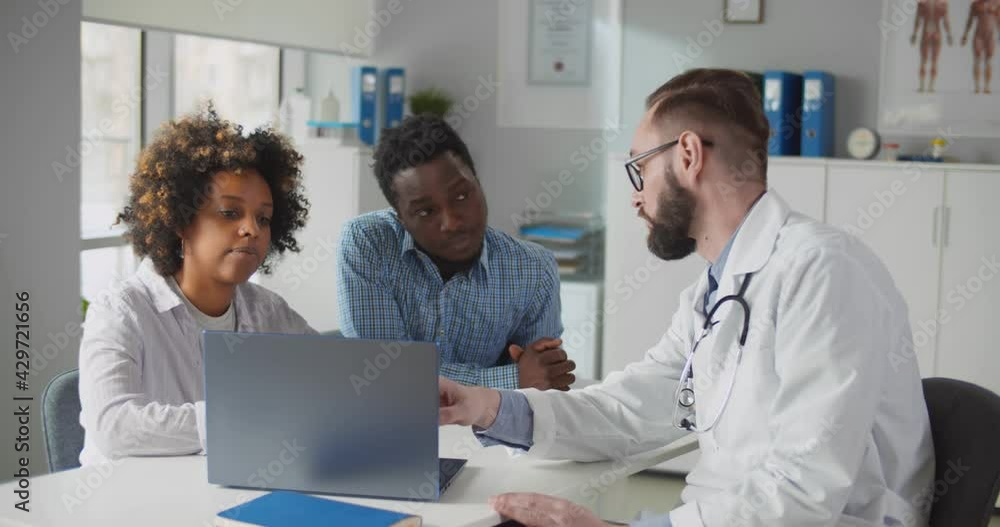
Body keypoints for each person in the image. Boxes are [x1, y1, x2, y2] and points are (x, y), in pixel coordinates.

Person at [438, 69, 935, 526]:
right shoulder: (713, 294)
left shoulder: (824, 271)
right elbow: (626, 411)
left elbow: (804, 491)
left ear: (689, 155)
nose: (635, 196)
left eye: (639, 168)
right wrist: (485, 406)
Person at [78, 107, 315, 466]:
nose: (251, 228)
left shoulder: (269, 311)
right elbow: (115, 428)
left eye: (263, 218)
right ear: (179, 221)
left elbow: (337, 375)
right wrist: (236, 418)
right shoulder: (120, 311)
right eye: (230, 213)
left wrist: (412, 391)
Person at [336, 114, 575, 391]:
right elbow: (384, 377)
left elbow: (538, 388)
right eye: (426, 211)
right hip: (393, 428)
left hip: (486, 431)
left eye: (461, 196)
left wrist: (533, 377)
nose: (452, 223)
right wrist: (510, 378)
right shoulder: (368, 243)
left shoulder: (534, 268)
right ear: (400, 218)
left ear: (478, 182)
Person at [911, 0, 954, 93]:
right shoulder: (942, 4)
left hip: (926, 31)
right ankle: (930, 87)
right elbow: (945, 21)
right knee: (932, 61)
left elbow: (918, 20)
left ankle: (923, 86)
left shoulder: (923, 4)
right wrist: (949, 35)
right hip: (936, 32)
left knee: (924, 60)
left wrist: (914, 34)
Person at [961, 0, 999, 93]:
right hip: (979, 35)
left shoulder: (996, 3)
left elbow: (999, 20)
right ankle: (977, 86)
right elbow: (970, 20)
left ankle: (987, 86)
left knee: (989, 60)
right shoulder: (975, 4)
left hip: (990, 35)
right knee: (977, 59)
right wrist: (965, 35)